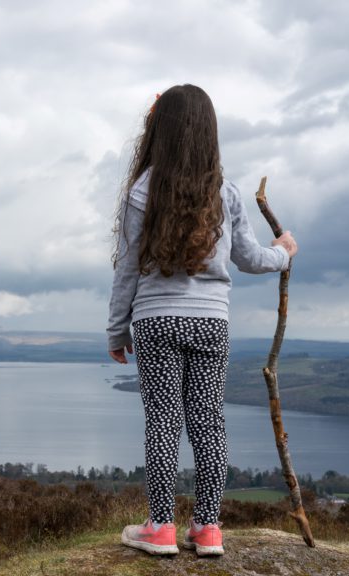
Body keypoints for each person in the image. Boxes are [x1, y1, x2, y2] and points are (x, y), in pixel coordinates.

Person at [107, 84, 298, 557]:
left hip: (155, 321)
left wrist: (116, 328)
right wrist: (283, 252)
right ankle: (208, 529)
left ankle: (160, 528)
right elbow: (251, 259)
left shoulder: (142, 189)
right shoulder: (226, 192)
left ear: (160, 130)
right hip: (211, 322)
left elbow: (128, 266)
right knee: (209, 423)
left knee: (163, 422)